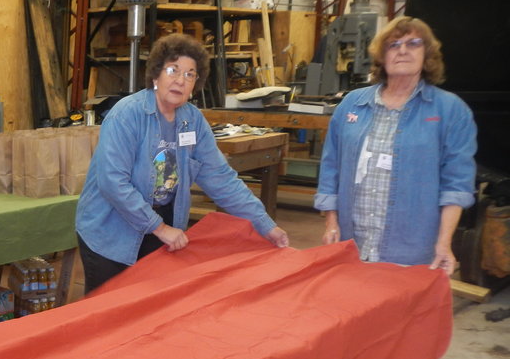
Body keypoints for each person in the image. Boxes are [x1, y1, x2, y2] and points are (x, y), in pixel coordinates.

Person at [75, 33, 289, 293]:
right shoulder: (127, 115)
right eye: (173, 70)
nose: (180, 80)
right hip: (112, 232)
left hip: (161, 229)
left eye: (190, 74)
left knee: (149, 308)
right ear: (156, 75)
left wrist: (265, 225)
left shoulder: (193, 121)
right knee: (108, 315)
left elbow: (221, 178)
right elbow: (112, 183)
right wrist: (160, 228)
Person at [315, 16, 477, 274]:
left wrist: (444, 243)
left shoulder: (450, 110)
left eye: (413, 43)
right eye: (393, 44)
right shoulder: (352, 104)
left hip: (412, 250)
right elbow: (331, 167)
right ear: (381, 56)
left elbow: (456, 184)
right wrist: (331, 223)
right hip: (351, 243)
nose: (402, 50)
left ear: (428, 55)